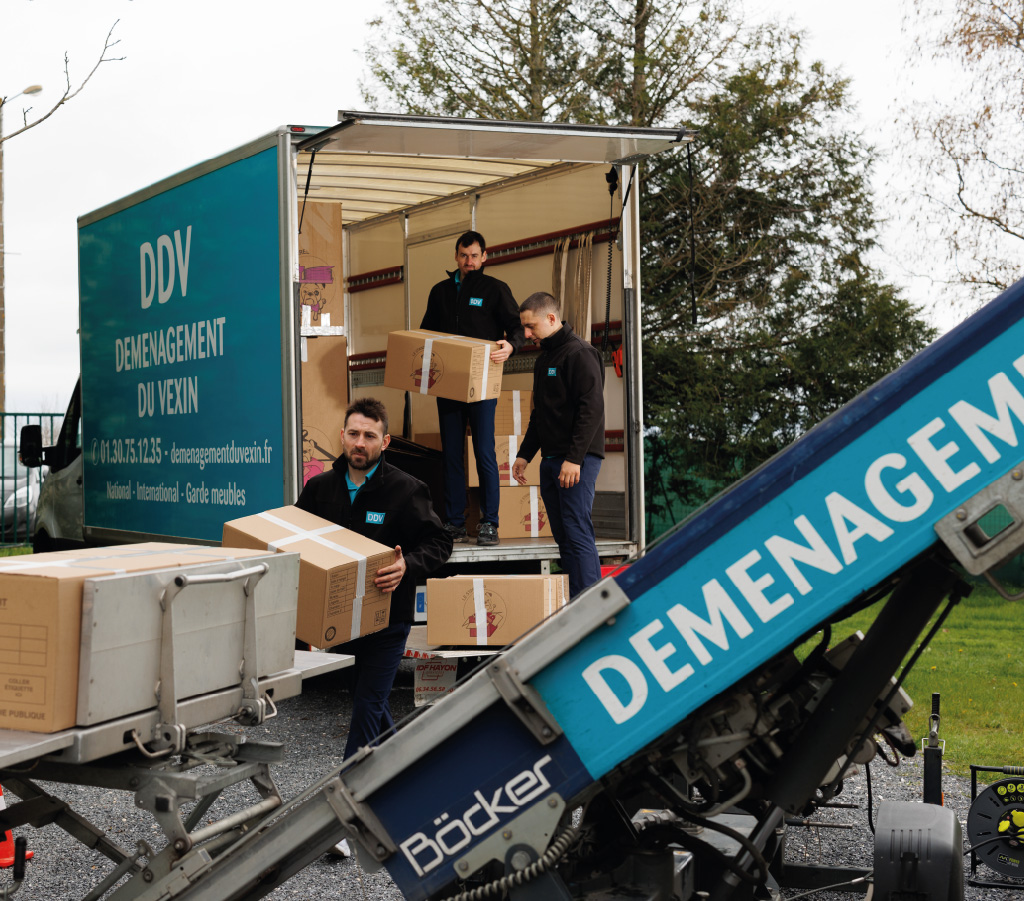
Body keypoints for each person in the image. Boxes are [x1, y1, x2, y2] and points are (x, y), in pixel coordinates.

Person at [296, 397, 452, 763]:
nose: (359, 443)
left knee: (368, 702)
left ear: (385, 442)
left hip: (388, 617)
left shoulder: (407, 489)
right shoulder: (320, 489)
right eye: (353, 434)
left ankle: (351, 786)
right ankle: (405, 767)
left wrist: (407, 566)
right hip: (342, 619)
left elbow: (440, 541)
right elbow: (299, 541)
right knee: (366, 697)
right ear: (342, 436)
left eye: (369, 435)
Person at [420, 231, 526, 546]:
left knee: (483, 452)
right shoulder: (439, 292)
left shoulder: (495, 290)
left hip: (482, 384)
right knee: (452, 454)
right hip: (450, 385)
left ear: (484, 257)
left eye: (475, 255)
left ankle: (489, 522)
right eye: (464, 255)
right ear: (456, 256)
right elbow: (426, 335)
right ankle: (454, 523)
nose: (470, 261)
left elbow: (517, 327)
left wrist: (512, 345)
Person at [512, 292, 605, 598]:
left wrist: (575, 458)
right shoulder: (544, 360)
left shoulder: (580, 353)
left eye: (530, 326)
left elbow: (591, 410)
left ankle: (590, 605)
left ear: (551, 319)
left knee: (577, 530)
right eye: (523, 327)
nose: (526, 334)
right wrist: (525, 454)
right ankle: (576, 600)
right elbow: (540, 413)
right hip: (552, 459)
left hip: (575, 460)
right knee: (563, 535)